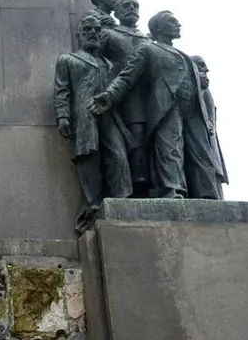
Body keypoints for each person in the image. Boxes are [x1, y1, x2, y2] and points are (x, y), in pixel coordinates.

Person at [88, 11, 220, 199]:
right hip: (166, 105)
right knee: (170, 147)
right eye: (172, 21)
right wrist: (109, 96)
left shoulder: (187, 56)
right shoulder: (147, 49)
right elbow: (127, 77)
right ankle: (173, 190)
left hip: (194, 109)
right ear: (158, 28)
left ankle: (208, 194)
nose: (178, 24)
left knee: (201, 151)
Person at [54, 14, 132, 232]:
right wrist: (63, 116)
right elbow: (62, 90)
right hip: (85, 115)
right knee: (88, 157)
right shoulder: (68, 59)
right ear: (79, 34)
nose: (93, 33)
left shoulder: (110, 64)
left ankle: (121, 199)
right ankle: (93, 204)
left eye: (97, 30)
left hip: (110, 115)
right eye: (88, 29)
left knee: (118, 155)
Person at [101, 0, 152, 196]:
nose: (132, 8)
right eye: (126, 5)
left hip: (151, 93)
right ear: (116, 11)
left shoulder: (148, 38)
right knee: (136, 134)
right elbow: (94, 61)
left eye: (135, 5)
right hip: (125, 94)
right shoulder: (109, 34)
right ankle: (138, 179)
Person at [192, 55, 229, 198]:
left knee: (211, 169)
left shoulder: (204, 90)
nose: (206, 70)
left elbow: (210, 113)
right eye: (201, 66)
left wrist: (210, 123)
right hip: (201, 141)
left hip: (207, 140)